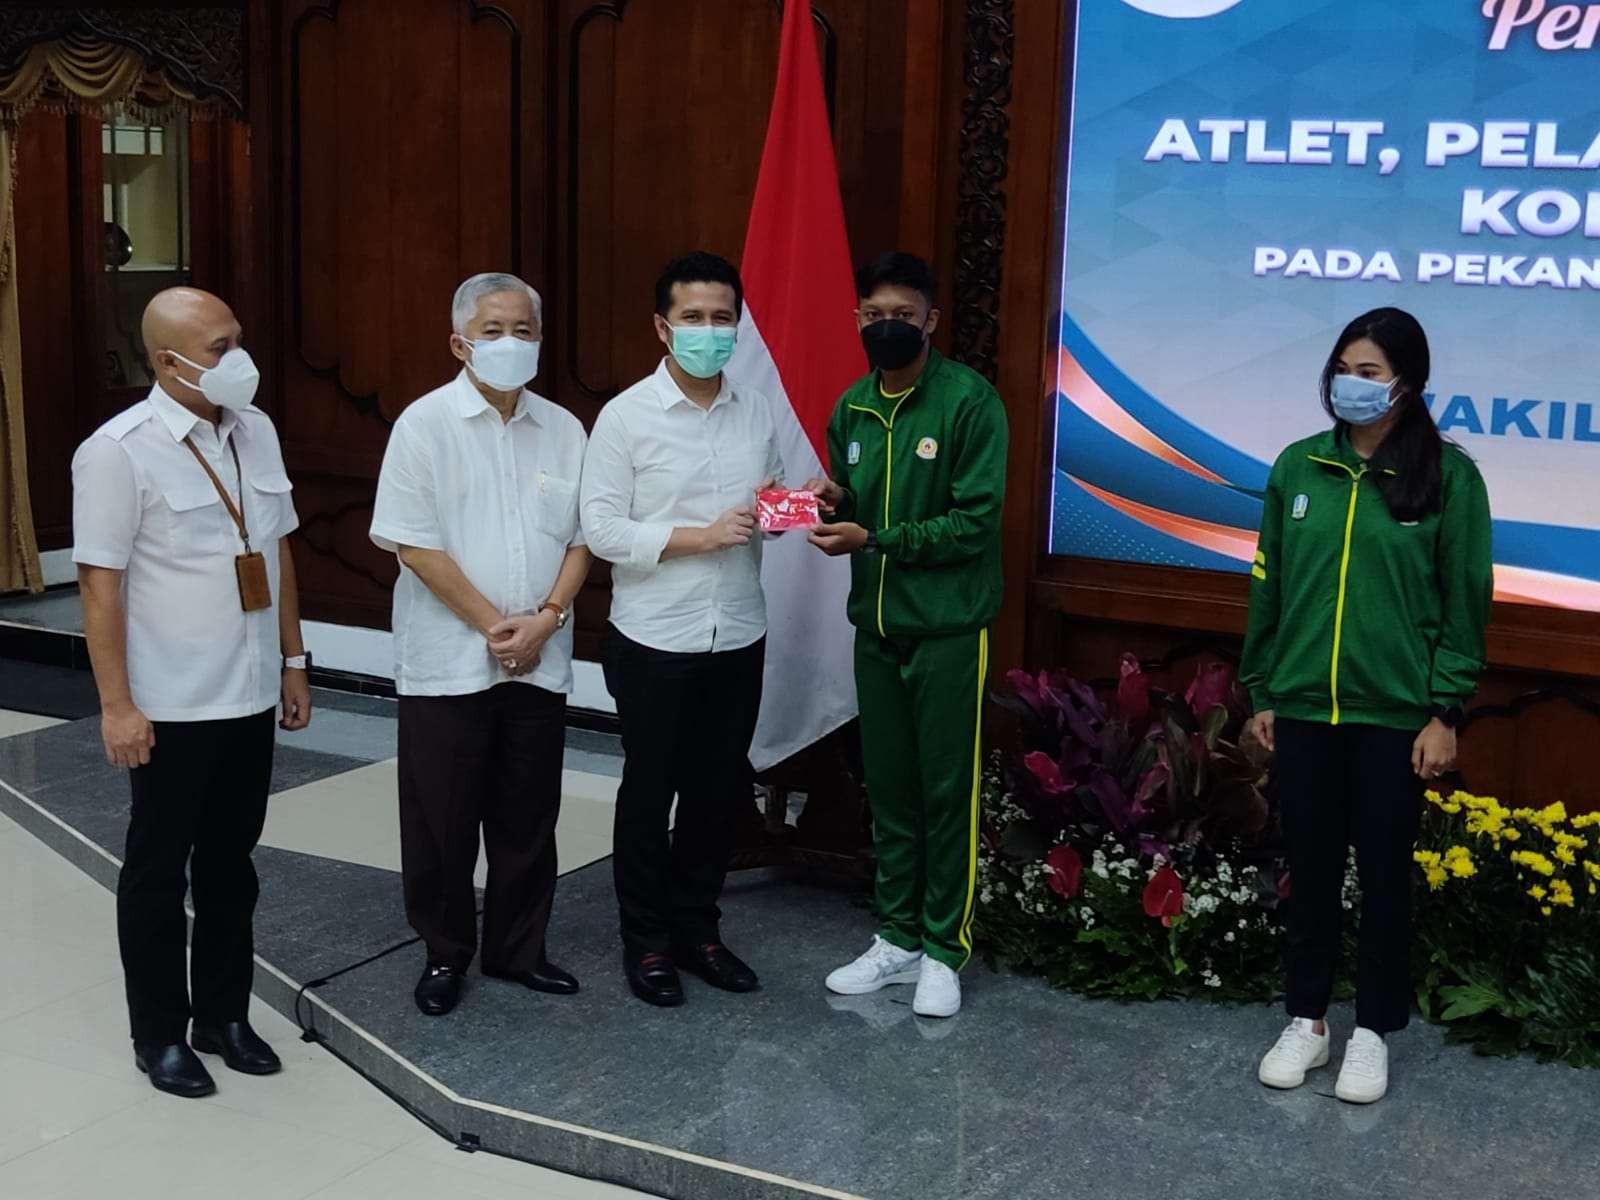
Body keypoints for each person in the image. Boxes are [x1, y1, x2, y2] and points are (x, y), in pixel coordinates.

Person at [1242, 307, 1492, 1104]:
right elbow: (1269, 587)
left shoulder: (1448, 479)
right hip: (1308, 710)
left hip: (1396, 720)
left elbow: (1465, 604)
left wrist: (1444, 711)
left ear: (1408, 385)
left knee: (1384, 879)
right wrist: (1265, 691)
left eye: (1371, 372)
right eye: (1345, 367)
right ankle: (1307, 1021)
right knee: (1308, 873)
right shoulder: (1298, 469)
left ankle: (1373, 1032)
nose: (1352, 383)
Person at [73, 287, 311, 1098]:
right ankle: (160, 1035)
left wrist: (293, 660)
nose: (236, 358)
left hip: (247, 692)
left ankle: (224, 1014)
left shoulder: (256, 429)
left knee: (231, 865)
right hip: (170, 703)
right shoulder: (119, 450)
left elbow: (275, 550)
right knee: (156, 869)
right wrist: (117, 706)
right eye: (218, 347)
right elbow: (100, 586)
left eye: (237, 338)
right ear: (167, 360)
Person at [371, 273, 591, 1017]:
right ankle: (443, 953)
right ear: (459, 342)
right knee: (442, 818)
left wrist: (548, 617)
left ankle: (518, 950)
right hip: (448, 661)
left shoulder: (564, 428)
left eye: (524, 330)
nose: (510, 343)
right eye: (493, 330)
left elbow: (584, 539)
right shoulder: (423, 424)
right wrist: (495, 627)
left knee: (528, 815)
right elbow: (414, 545)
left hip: (540, 656)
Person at [808, 252, 1009, 1019]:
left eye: (902, 313)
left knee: (946, 792)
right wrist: (832, 501)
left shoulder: (968, 403)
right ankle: (895, 938)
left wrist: (874, 539)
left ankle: (943, 950)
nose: (886, 326)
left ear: (931, 321)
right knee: (889, 791)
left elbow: (973, 521)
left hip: (949, 630)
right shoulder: (853, 407)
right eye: (872, 314)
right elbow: (855, 500)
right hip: (877, 630)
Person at [580, 251, 783, 1007]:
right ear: (662, 328)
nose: (709, 331)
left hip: (736, 630)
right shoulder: (626, 416)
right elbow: (600, 529)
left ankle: (700, 930)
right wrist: (698, 536)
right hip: (653, 638)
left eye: (722, 318)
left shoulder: (756, 408)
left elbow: (766, 498)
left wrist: (790, 508)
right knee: (649, 792)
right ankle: (647, 942)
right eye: (693, 318)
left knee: (714, 793)